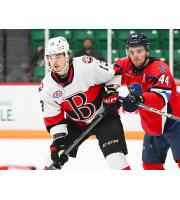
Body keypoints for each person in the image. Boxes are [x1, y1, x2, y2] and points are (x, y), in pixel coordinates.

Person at [38, 36, 130, 170]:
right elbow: (54, 120)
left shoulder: (86, 65)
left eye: (58, 56)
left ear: (67, 55)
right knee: (52, 161)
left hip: (105, 118)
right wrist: (58, 142)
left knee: (116, 160)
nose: (54, 61)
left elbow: (114, 72)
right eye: (50, 57)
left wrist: (111, 92)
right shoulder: (46, 87)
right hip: (76, 124)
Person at [116, 32, 180, 170]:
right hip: (153, 125)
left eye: (139, 51)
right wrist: (108, 91)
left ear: (147, 51)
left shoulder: (160, 69)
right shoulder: (125, 65)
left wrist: (139, 98)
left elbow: (160, 99)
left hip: (177, 122)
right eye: (131, 52)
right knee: (150, 166)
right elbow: (108, 75)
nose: (135, 56)